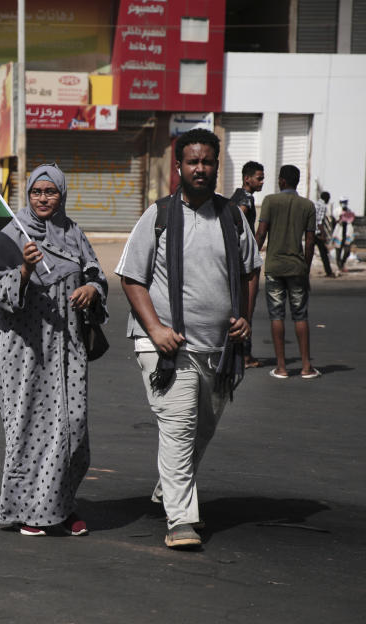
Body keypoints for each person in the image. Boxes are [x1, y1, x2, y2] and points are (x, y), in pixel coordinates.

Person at [115, 129, 261, 550]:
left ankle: (169, 485)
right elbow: (131, 277)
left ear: (218, 166)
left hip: (218, 350)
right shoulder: (158, 216)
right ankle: (180, 520)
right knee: (179, 429)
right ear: (178, 166)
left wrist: (245, 319)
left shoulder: (232, 217)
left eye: (208, 162)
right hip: (166, 348)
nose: (200, 169)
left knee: (203, 430)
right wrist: (157, 329)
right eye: (192, 162)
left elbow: (251, 270)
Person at [0, 163, 108, 538]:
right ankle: (26, 511)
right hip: (25, 352)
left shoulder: (73, 233)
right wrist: (23, 270)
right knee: (28, 431)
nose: (42, 199)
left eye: (50, 192)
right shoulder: (10, 235)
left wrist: (92, 291)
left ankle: (60, 506)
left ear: (62, 194)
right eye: (36, 192)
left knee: (72, 428)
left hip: (67, 350)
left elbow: (95, 273)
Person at [255, 165, 318, 379]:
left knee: (276, 315)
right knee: (300, 315)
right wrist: (305, 268)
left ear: (281, 181)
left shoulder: (270, 202)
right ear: (297, 182)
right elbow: (310, 242)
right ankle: (306, 366)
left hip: (274, 267)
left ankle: (281, 367)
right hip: (297, 268)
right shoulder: (308, 206)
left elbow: (262, 233)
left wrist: (252, 257)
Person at [229, 161, 265, 367]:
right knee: (247, 310)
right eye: (259, 178)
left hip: (238, 261)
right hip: (246, 264)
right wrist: (249, 249)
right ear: (247, 179)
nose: (261, 182)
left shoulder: (234, 197)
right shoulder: (246, 200)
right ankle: (244, 356)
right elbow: (237, 221)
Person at [313, 191, 336, 277]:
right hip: (317, 233)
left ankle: (303, 273)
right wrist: (323, 234)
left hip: (311, 231)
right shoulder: (323, 206)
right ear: (326, 198)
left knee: (309, 252)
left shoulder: (315, 203)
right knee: (323, 253)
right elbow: (320, 221)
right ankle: (329, 272)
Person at [332, 198, 357, 272]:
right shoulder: (336, 210)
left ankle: (342, 263)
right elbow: (336, 220)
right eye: (343, 202)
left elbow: (351, 220)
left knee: (347, 250)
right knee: (338, 251)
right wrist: (341, 217)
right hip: (339, 232)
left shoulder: (349, 210)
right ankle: (340, 266)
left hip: (347, 233)